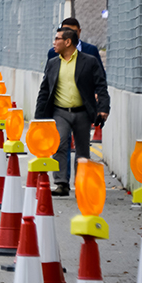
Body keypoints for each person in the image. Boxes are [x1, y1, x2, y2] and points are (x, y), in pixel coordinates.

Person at [34, 27, 109, 196]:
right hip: (60, 112)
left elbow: (101, 85)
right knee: (59, 143)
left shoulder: (89, 61)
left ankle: (81, 185)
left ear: (68, 42)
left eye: (57, 39)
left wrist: (103, 108)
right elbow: (44, 90)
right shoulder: (53, 63)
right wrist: (38, 118)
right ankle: (61, 183)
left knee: (83, 151)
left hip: (83, 112)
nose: (54, 42)